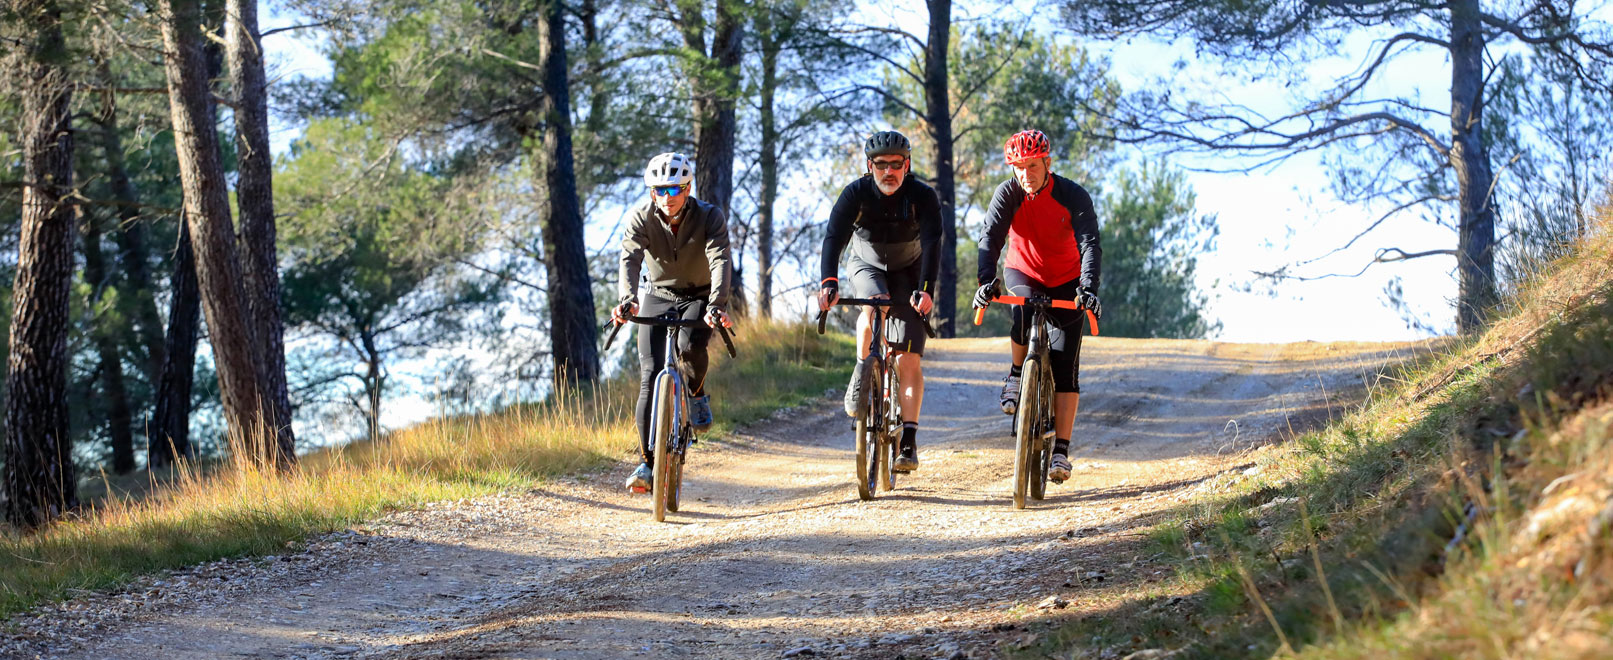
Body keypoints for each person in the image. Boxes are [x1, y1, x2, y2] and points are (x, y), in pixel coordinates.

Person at [973, 129, 1103, 484]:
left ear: (1047, 162)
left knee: (1064, 365)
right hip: (1023, 270)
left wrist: (1088, 288)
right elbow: (990, 238)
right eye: (1018, 167)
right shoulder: (1007, 193)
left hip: (1066, 278)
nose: (1025, 174)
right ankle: (1017, 375)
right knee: (1022, 315)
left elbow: (1090, 243)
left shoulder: (1072, 195)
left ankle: (1061, 449)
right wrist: (986, 280)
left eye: (1032, 165)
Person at [817, 130, 942, 473]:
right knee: (873, 304)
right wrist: (829, 282)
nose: (889, 172)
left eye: (896, 165)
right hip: (866, 264)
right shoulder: (855, 193)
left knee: (909, 357)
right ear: (869, 165)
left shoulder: (922, 196)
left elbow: (933, 243)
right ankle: (863, 371)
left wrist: (926, 289)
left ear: (907, 164)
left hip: (911, 268)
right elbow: (833, 238)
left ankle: (909, 441)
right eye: (881, 164)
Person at [615, 152, 734, 493]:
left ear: (687, 188)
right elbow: (630, 258)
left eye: (675, 190)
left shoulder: (710, 216)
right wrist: (628, 298)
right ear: (652, 192)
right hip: (658, 295)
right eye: (660, 191)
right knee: (650, 376)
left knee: (690, 348)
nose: (667, 198)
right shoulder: (640, 217)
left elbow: (720, 260)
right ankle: (646, 463)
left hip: (699, 296)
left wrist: (716, 305)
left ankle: (696, 396)